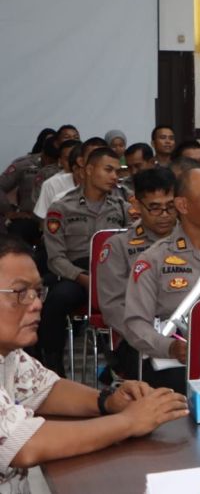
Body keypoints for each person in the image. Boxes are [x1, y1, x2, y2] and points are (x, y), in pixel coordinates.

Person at [0, 236, 189, 487]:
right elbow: (24, 445)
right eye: (21, 292)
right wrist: (129, 422)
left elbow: (45, 389)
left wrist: (108, 401)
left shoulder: (9, 352)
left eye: (37, 292)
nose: (36, 303)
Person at [123, 169, 200, 393]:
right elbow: (136, 323)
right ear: (183, 205)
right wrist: (170, 347)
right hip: (177, 362)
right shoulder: (154, 259)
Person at [38, 147, 129, 375]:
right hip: (77, 273)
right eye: (108, 170)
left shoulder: (122, 206)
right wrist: (82, 278)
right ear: (88, 169)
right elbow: (55, 258)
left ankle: (121, 366)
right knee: (57, 300)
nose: (114, 176)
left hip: (114, 271)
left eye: (117, 171)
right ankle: (52, 364)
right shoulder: (61, 208)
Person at [97, 167, 177, 376]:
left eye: (170, 206)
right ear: (137, 205)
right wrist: (152, 338)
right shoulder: (119, 246)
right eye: (155, 208)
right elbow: (113, 307)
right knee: (173, 379)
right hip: (140, 336)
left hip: (189, 332)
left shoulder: (194, 239)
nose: (165, 215)